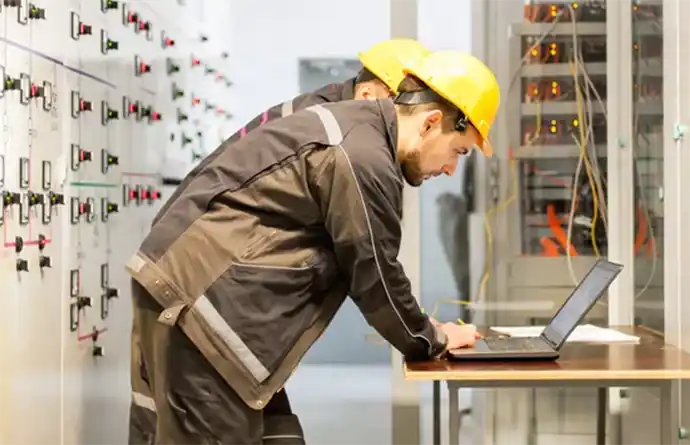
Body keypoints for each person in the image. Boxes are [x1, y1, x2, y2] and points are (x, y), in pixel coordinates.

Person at [126, 50, 500, 445]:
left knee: (279, 437)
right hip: (201, 311)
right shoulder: (362, 156)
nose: (450, 169)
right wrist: (429, 338)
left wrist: (425, 331)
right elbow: (374, 271)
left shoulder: (358, 131)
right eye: (458, 151)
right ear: (431, 122)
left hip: (207, 303)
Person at [156, 38, 431, 222]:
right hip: (190, 260)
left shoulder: (330, 117)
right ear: (369, 95)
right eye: (401, 111)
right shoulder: (322, 130)